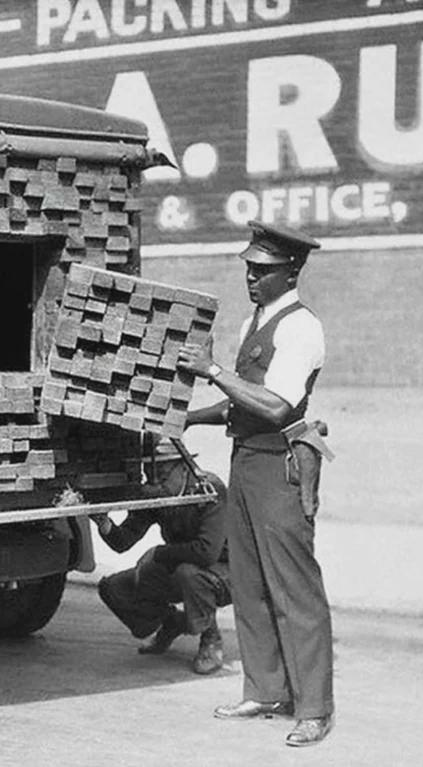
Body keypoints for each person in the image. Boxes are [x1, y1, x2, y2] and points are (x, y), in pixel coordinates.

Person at [177, 220, 335, 747]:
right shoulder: (254, 322)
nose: (251, 277)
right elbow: (241, 399)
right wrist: (190, 418)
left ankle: (313, 707)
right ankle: (266, 689)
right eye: (248, 267)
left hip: (280, 467)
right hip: (245, 461)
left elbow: (275, 404)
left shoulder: (300, 327)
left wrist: (214, 369)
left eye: (263, 270)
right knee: (249, 585)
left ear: (291, 270)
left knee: (295, 589)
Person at [92, 439, 230, 675]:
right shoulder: (159, 495)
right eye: (149, 474)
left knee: (189, 573)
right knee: (115, 587)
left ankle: (211, 639)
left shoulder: (209, 488)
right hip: (183, 569)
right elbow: (123, 540)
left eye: (163, 473)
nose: (155, 481)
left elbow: (207, 552)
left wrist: (159, 553)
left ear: (183, 467)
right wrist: (104, 523)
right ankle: (172, 622)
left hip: (227, 572)